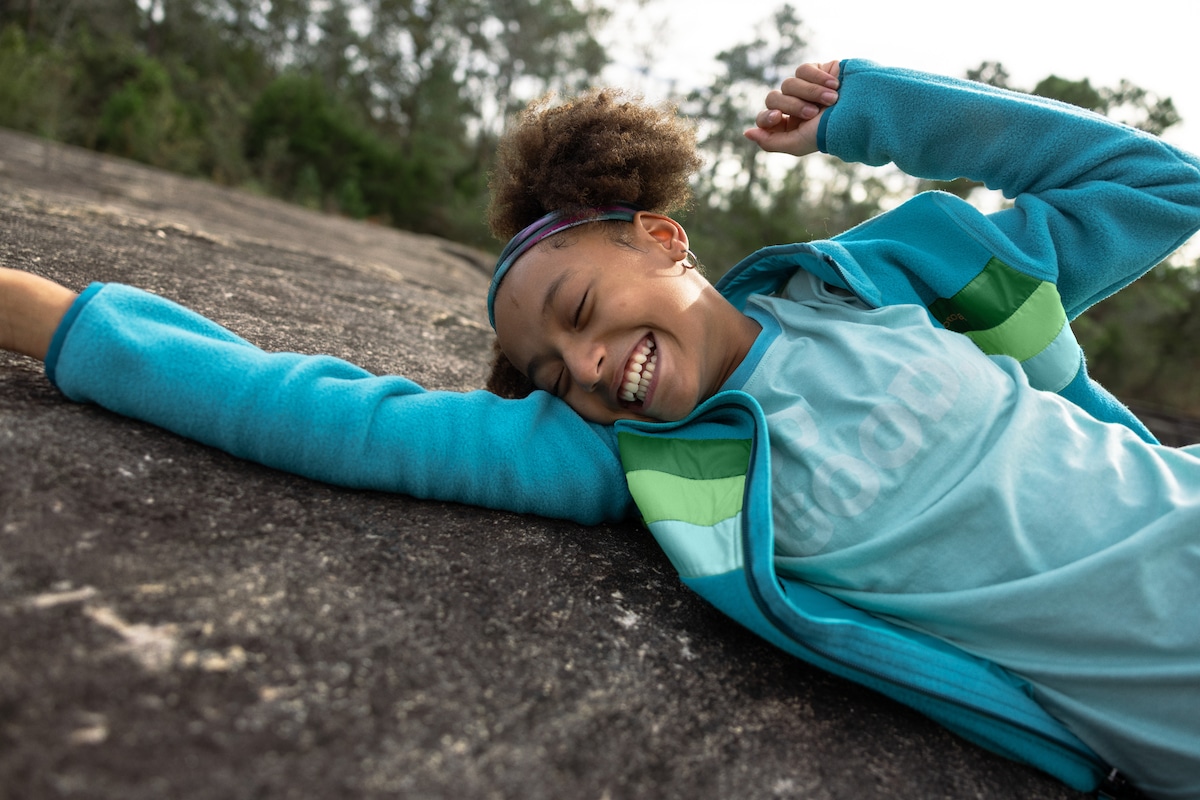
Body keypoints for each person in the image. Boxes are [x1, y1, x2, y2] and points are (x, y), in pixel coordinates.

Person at [2, 59, 1199, 799]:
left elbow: (1156, 190)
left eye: (577, 312)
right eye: (548, 373)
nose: (583, 369)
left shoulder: (887, 283)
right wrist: (43, 315)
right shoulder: (647, 463)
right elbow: (327, 414)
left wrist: (878, 112)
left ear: (664, 237)